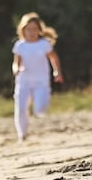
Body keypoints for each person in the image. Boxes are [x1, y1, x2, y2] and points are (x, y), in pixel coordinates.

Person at [11, 12, 64, 141]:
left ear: (39, 30)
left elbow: (53, 58)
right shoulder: (20, 45)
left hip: (41, 81)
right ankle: (22, 134)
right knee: (20, 108)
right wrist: (16, 69)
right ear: (23, 30)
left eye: (35, 29)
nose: (31, 32)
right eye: (29, 29)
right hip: (23, 81)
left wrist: (57, 71)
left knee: (40, 110)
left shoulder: (44, 44)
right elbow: (15, 62)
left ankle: (37, 112)